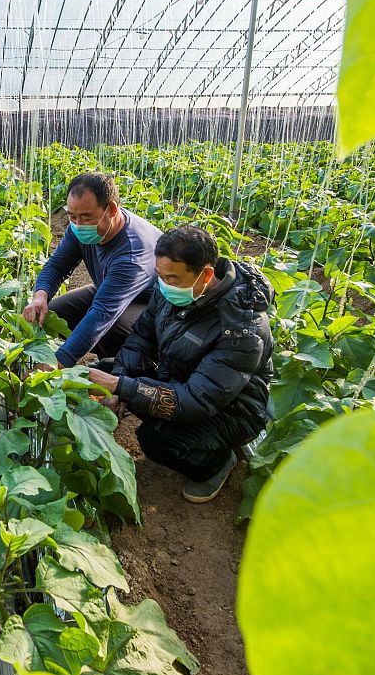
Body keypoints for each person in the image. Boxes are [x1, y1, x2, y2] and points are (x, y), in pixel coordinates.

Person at [86, 225, 274, 504]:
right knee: (105, 369)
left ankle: (218, 462)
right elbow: (141, 338)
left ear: (206, 274)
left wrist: (121, 386)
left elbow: (196, 400)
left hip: (232, 409)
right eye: (160, 276)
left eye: (172, 278)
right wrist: (120, 378)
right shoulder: (173, 288)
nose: (163, 285)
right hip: (180, 374)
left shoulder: (241, 329)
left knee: (157, 440)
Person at [22, 173, 161, 368]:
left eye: (86, 217)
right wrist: (40, 296)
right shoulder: (80, 225)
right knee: (52, 314)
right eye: (72, 216)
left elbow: (103, 313)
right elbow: (57, 266)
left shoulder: (133, 254)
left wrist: (57, 363)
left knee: (109, 326)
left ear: (111, 209)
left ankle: (125, 371)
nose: (78, 225)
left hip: (152, 307)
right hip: (110, 290)